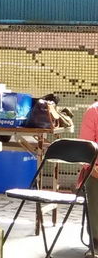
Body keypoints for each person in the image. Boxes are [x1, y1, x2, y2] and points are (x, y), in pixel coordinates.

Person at [79, 101, 98, 256]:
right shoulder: (94, 111)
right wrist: (93, 168)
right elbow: (85, 148)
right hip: (95, 169)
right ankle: (96, 241)